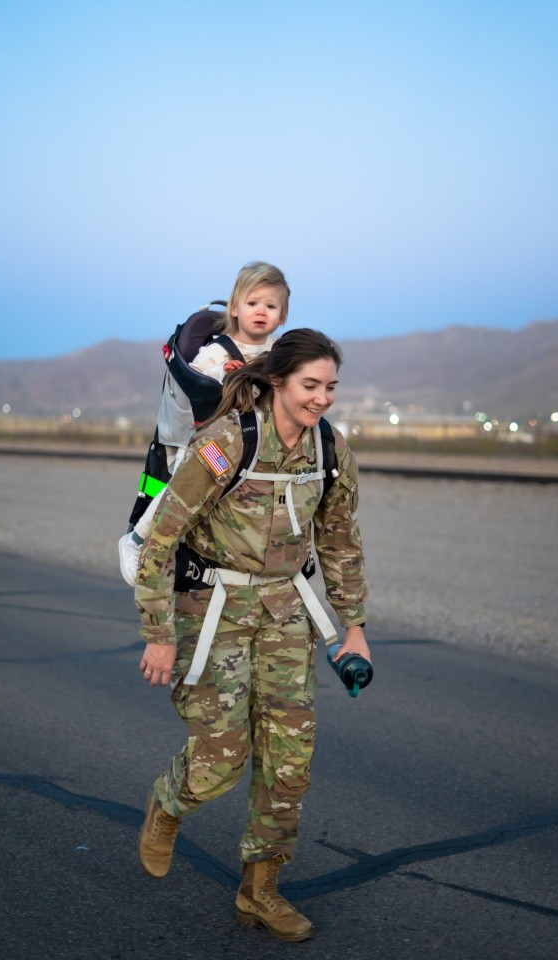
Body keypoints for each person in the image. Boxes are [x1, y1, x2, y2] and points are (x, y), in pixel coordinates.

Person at [134, 329, 369, 942]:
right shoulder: (227, 442)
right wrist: (158, 633)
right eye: (310, 386)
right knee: (220, 760)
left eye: (330, 388)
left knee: (289, 761)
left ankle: (260, 891)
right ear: (277, 382)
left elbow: (341, 540)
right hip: (214, 609)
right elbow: (161, 536)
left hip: (288, 611)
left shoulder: (330, 449)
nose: (322, 398)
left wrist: (355, 629)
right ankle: (169, 803)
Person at [118, 261, 290, 586]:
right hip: (205, 442)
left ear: (282, 316)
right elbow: (200, 381)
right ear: (235, 308)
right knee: (185, 485)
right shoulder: (216, 352)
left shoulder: (280, 354)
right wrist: (228, 374)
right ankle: (138, 541)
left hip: (254, 446)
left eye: (271, 305)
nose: (261, 311)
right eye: (253, 303)